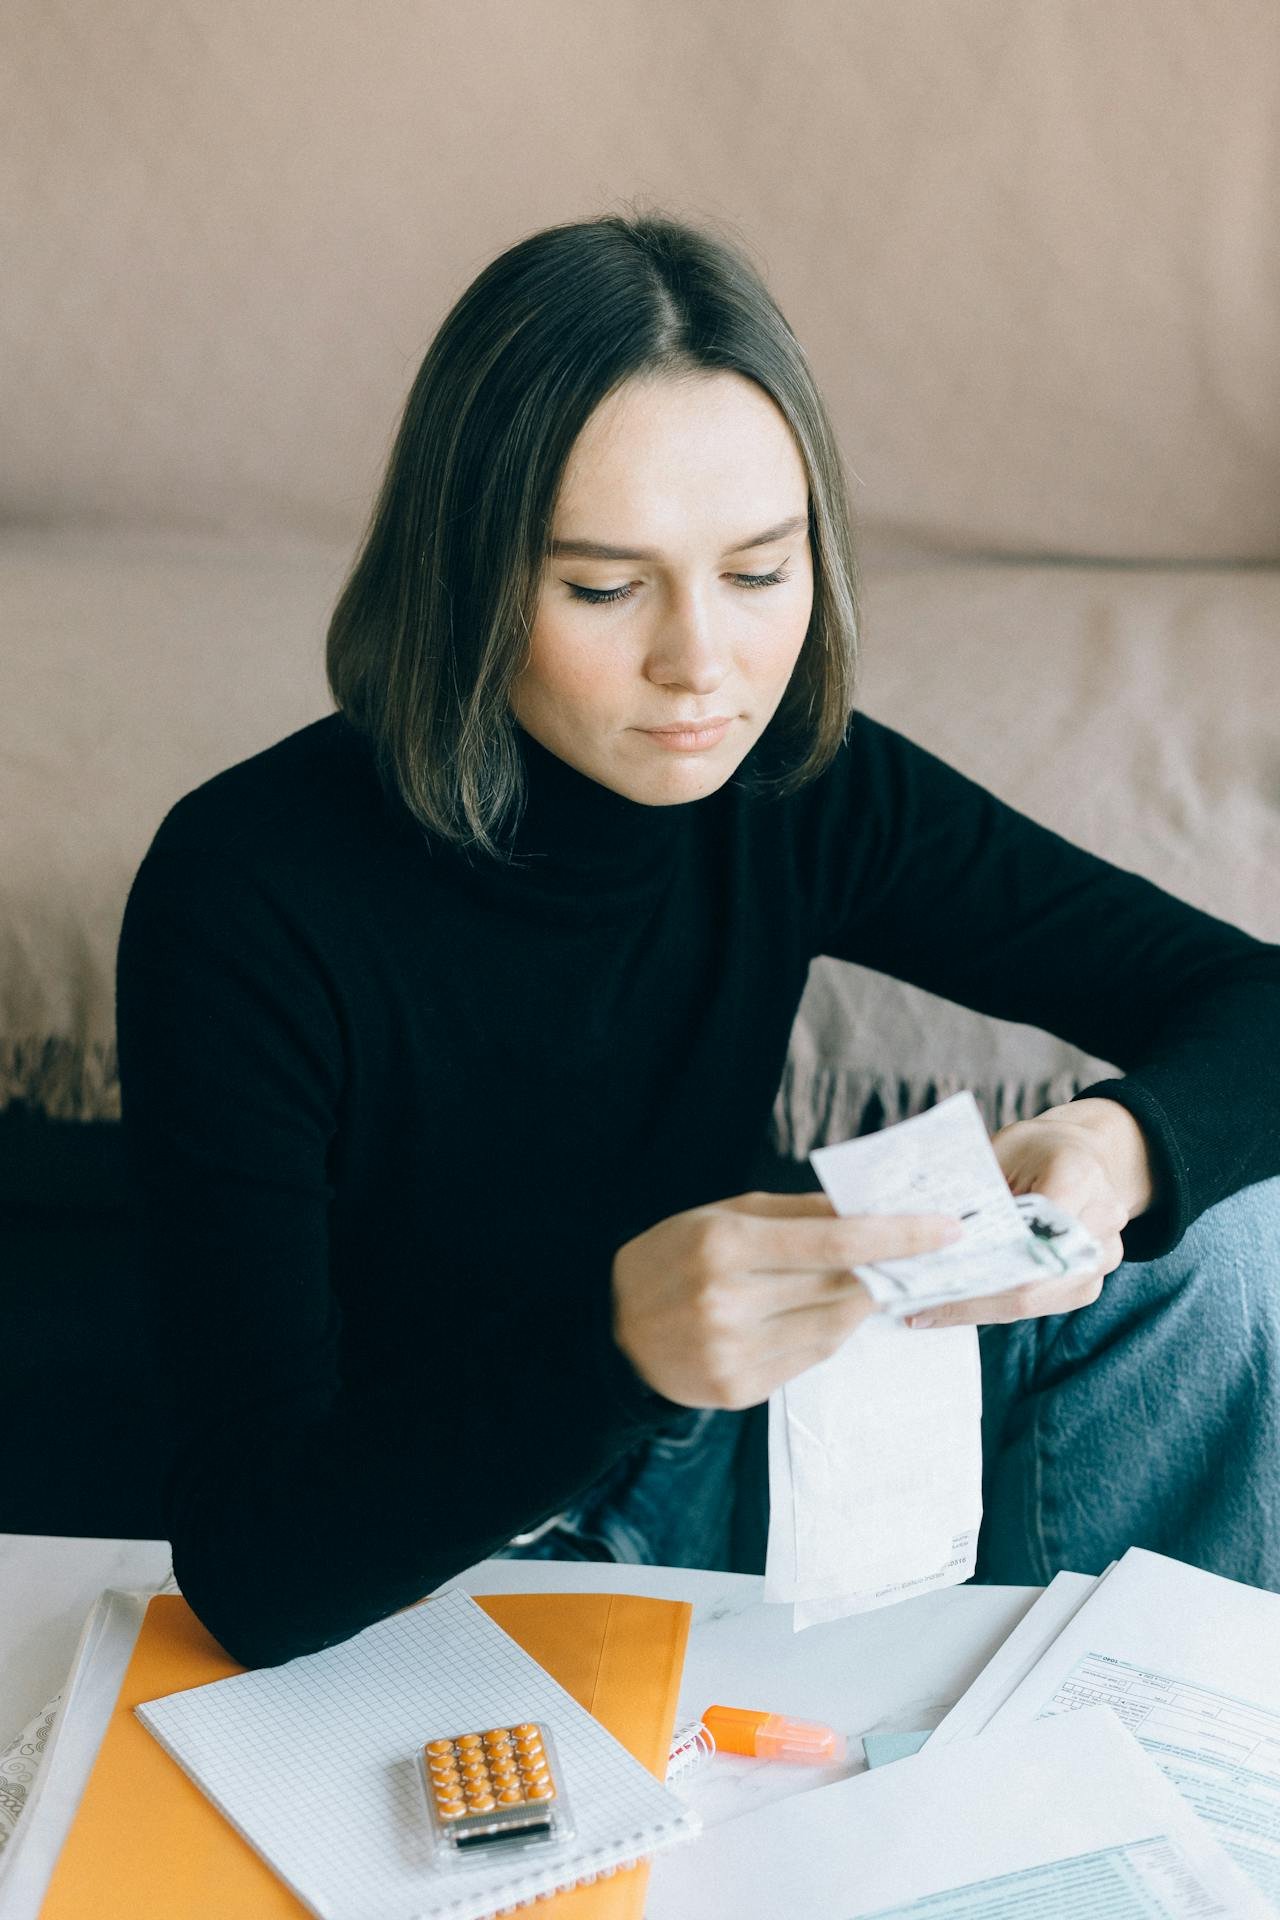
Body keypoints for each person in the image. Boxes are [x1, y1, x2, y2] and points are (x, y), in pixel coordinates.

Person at [116, 206, 1280, 1671]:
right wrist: (620, 1348)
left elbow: (1253, 1001)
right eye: (604, 587)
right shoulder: (244, 890)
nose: (702, 666)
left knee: (1232, 1228)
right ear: (466, 574)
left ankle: (1148, 1798)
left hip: (739, 1427)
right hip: (449, 1529)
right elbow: (252, 1568)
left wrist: (1124, 1149)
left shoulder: (793, 781)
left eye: (757, 572)